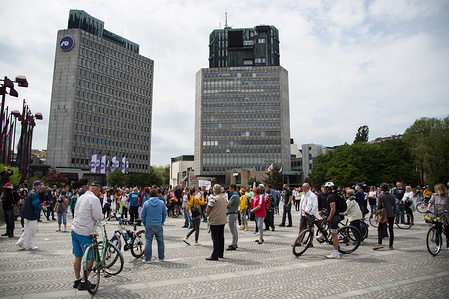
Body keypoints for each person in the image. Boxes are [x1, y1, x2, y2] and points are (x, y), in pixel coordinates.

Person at [71, 182, 104, 291]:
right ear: (97, 190)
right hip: (85, 232)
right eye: (99, 192)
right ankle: (84, 282)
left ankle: (77, 279)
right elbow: (98, 216)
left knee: (78, 256)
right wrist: (103, 217)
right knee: (91, 257)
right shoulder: (94, 199)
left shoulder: (81, 196)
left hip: (75, 229)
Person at [140, 189, 167, 263]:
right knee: (160, 241)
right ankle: (161, 257)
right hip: (158, 224)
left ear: (149, 195)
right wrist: (162, 221)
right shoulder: (161, 203)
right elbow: (165, 213)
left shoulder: (146, 203)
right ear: (157, 195)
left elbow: (142, 215)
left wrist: (145, 223)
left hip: (149, 224)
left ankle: (148, 258)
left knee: (148, 241)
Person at [16, 180, 44, 250]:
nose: (40, 187)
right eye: (40, 185)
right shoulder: (35, 194)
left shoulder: (30, 193)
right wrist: (42, 207)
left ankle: (20, 242)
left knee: (28, 229)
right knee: (31, 230)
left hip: (28, 214)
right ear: (37, 186)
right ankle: (29, 245)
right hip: (32, 215)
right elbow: (36, 205)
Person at [205, 184, 227, 260]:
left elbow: (208, 208)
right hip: (222, 220)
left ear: (214, 191)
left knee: (215, 238)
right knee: (221, 237)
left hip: (215, 220)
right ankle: (220, 253)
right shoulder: (224, 198)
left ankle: (215, 254)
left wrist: (207, 214)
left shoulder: (214, 199)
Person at [373, 183, 397, 250]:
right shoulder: (392, 195)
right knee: (391, 229)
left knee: (380, 228)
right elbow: (395, 205)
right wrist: (394, 213)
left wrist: (377, 213)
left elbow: (379, 206)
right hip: (391, 214)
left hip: (384, 214)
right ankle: (391, 245)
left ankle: (380, 243)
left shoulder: (381, 196)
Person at [426, 183, 449, 252]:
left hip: (445, 215)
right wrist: (428, 208)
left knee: (447, 230)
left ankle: (448, 245)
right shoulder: (434, 196)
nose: (435, 190)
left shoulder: (447, 197)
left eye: (436, 189)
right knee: (437, 230)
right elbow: (431, 202)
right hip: (436, 214)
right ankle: (438, 244)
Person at [322, 182, 342, 259]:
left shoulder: (331, 197)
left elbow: (333, 209)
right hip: (335, 216)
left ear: (328, 188)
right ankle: (336, 250)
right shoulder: (333, 195)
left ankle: (336, 252)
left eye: (325, 188)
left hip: (334, 217)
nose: (323, 189)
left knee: (334, 235)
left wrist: (329, 219)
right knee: (333, 234)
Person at [226, 184, 240, 251]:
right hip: (235, 213)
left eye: (230, 188)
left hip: (231, 214)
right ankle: (235, 242)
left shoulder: (233, 197)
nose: (229, 190)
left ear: (233, 189)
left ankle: (234, 244)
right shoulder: (237, 196)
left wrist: (227, 205)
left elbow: (228, 205)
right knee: (235, 229)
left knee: (233, 230)